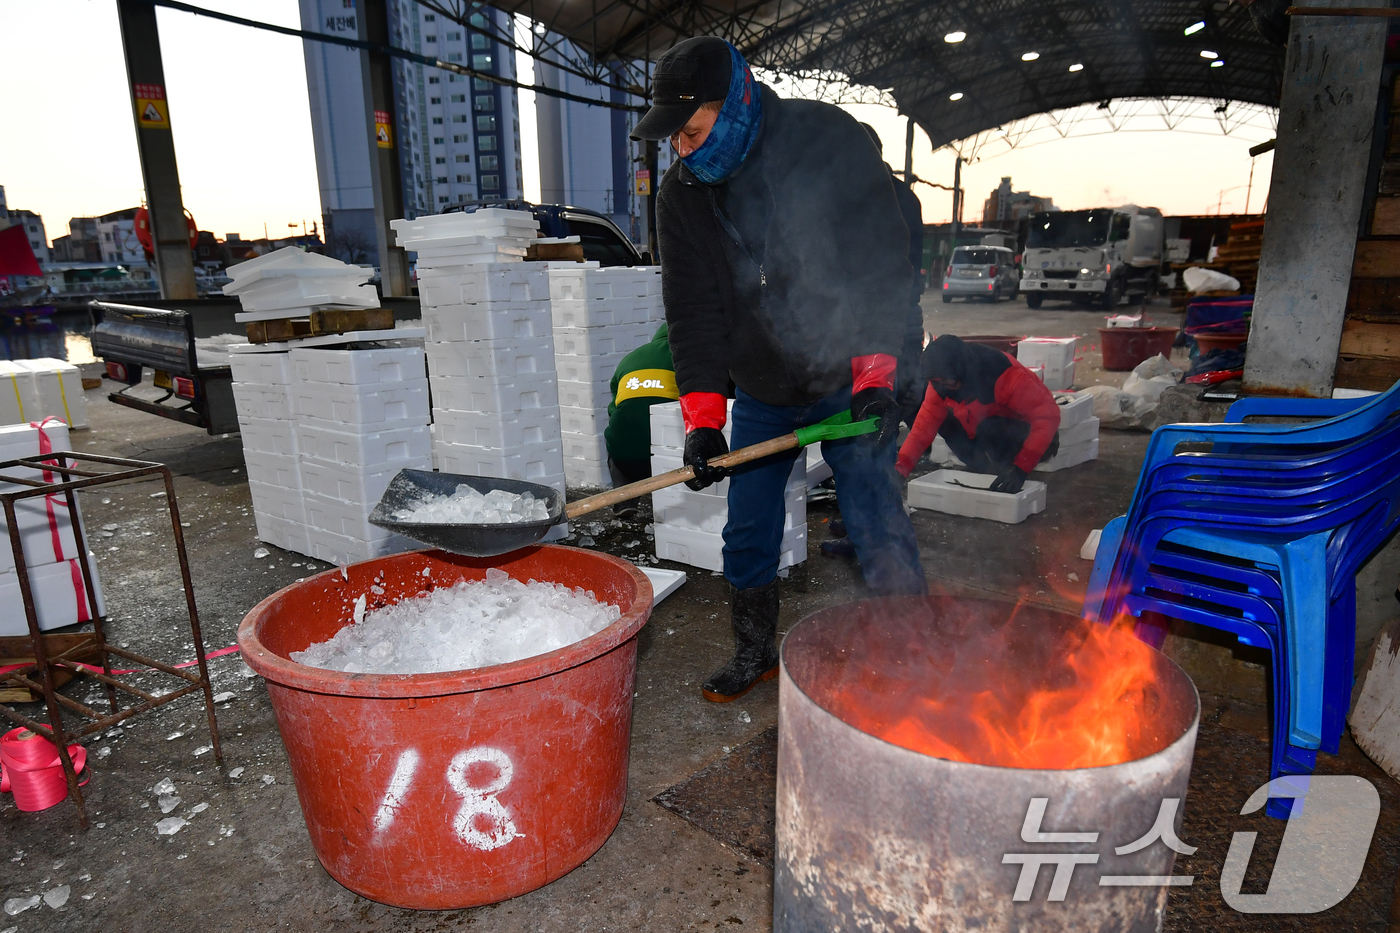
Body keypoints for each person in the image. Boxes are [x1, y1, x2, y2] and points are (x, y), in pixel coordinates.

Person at [631, 36, 926, 703]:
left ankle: (913, 645)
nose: (681, 148)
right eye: (672, 138)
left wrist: (879, 378)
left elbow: (881, 265)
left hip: (849, 375)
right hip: (764, 385)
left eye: (693, 131)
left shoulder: (825, 142)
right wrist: (704, 422)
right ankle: (756, 650)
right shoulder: (682, 196)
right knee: (748, 528)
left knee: (873, 509)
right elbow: (694, 313)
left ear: (732, 102)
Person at [896, 335, 1062, 492]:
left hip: (1026, 436)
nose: (941, 385)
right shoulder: (941, 384)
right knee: (944, 422)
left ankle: (1010, 467)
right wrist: (900, 471)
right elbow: (921, 431)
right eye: (935, 382)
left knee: (988, 426)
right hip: (983, 433)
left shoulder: (1004, 374)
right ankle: (983, 468)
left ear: (960, 368)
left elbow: (1047, 416)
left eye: (944, 380)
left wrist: (1021, 468)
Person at [860, 123, 927, 426]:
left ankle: (897, 443)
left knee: (892, 385)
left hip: (891, 308)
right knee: (902, 378)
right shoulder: (904, 195)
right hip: (904, 305)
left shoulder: (882, 196)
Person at [604, 323, 678, 518]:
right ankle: (677, 505)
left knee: (618, 433)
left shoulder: (630, 358)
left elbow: (614, 408)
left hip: (624, 454)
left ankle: (623, 499)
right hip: (669, 453)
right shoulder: (688, 357)